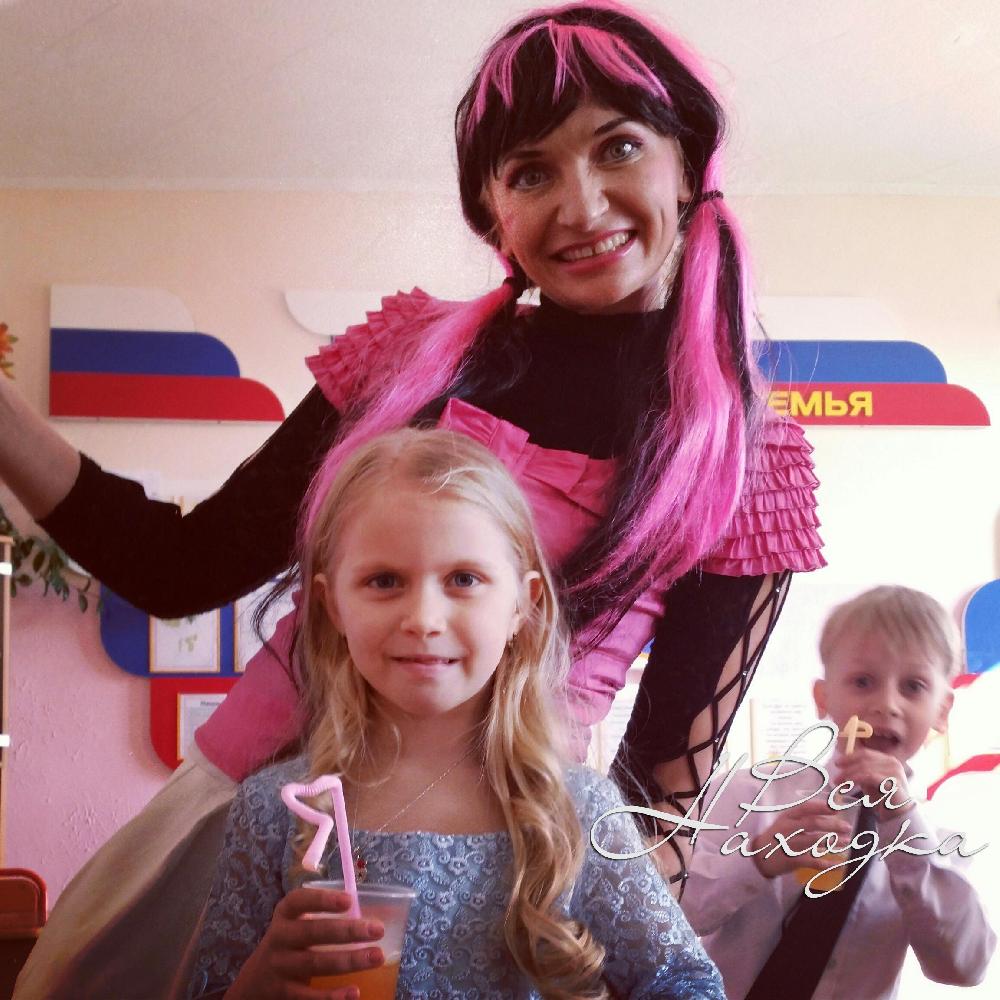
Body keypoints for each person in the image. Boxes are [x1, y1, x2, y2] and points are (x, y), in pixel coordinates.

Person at [11, 2, 823, 996]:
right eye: (530, 171)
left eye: (618, 146)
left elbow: (655, 807)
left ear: (687, 161)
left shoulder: (746, 460)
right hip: (235, 835)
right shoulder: (410, 357)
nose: (580, 205)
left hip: (504, 881)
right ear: (491, 208)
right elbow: (178, 570)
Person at [185, 426, 725, 999]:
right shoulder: (275, 811)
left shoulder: (576, 812)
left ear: (522, 605)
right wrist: (258, 983)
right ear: (333, 605)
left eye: (464, 579)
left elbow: (688, 983)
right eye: (384, 581)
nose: (423, 618)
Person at [681, 585, 996, 1000]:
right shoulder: (750, 793)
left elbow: (964, 967)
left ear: (942, 710)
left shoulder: (943, 838)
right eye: (863, 681)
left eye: (913, 686)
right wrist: (756, 860)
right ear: (823, 697)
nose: (886, 704)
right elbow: (671, 916)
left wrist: (906, 831)